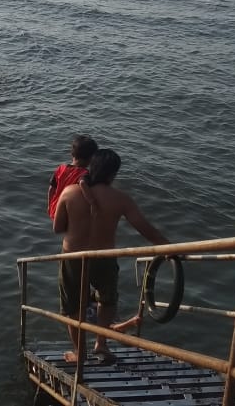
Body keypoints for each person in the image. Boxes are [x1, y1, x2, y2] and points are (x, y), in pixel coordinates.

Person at [53, 148, 169, 364]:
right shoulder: (120, 199)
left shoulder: (68, 192)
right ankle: (101, 345)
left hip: (73, 257)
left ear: (90, 168)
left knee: (73, 307)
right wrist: (170, 248)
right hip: (104, 256)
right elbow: (145, 229)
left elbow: (57, 228)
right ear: (113, 173)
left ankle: (80, 353)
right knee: (107, 301)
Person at [47, 135, 98, 219]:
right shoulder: (83, 173)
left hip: (54, 209)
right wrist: (92, 202)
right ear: (91, 158)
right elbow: (82, 183)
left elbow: (51, 189)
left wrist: (49, 206)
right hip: (67, 212)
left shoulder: (61, 168)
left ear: (72, 153)